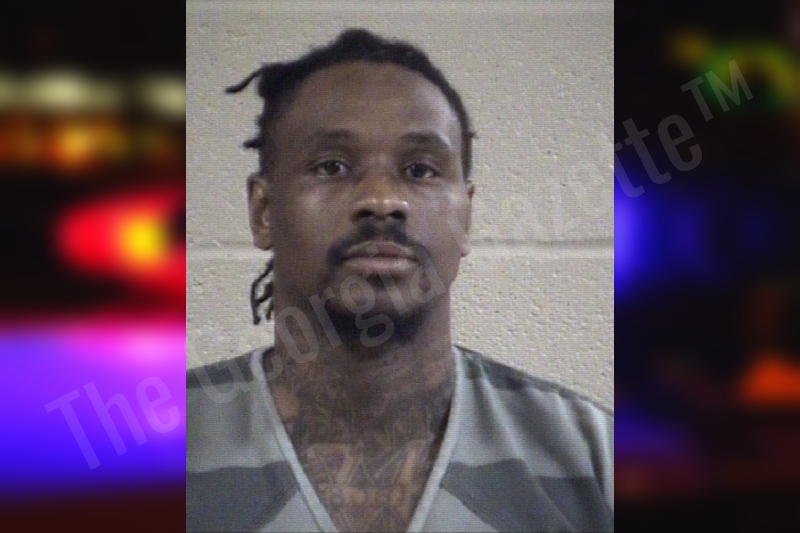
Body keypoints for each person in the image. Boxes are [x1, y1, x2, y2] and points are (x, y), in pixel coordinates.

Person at [186, 29, 613, 533]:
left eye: (420, 170)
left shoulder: (597, 458)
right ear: (263, 212)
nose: (382, 200)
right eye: (332, 166)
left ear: (466, 216)